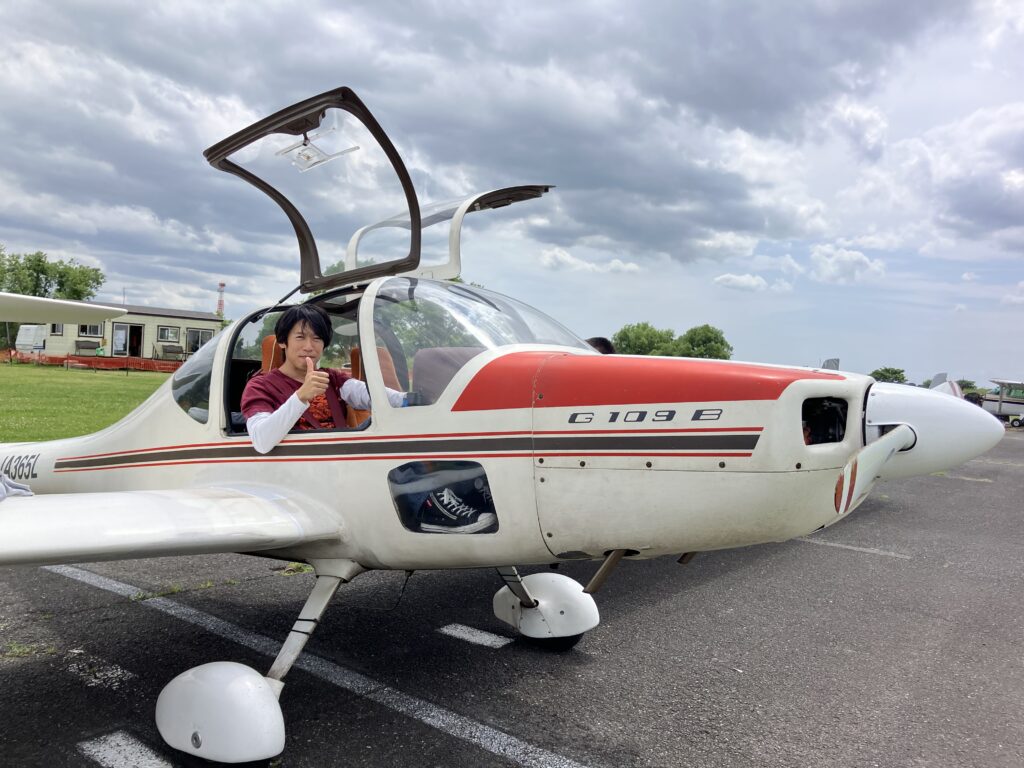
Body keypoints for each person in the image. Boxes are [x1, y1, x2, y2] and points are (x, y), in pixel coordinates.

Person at [241, 305, 496, 533]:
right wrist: (301, 396)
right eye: (300, 337)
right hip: (303, 474)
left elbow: (371, 395)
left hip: (340, 465)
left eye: (317, 338)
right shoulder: (261, 386)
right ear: (283, 342)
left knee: (400, 420)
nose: (309, 346)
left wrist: (415, 401)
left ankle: (467, 491)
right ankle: (428, 508)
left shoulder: (332, 378)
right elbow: (262, 440)